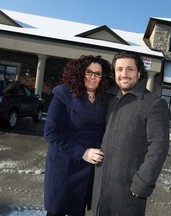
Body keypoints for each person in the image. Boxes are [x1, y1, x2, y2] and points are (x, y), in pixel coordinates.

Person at [91, 51, 170, 216]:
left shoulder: (153, 104)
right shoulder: (108, 99)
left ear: (139, 72)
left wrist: (142, 183)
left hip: (127, 193)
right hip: (99, 189)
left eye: (130, 69)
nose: (124, 74)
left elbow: (159, 146)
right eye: (119, 69)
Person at [44, 55, 113, 216]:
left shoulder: (104, 99)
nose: (93, 77)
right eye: (88, 72)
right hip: (64, 165)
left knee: (78, 210)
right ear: (80, 73)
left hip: (87, 170)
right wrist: (83, 152)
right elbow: (51, 133)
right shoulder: (63, 95)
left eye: (98, 74)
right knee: (57, 211)